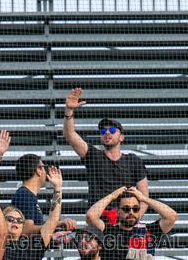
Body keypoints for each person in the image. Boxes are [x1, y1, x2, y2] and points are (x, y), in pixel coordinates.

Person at [62, 87, 149, 216]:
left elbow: (144, 198)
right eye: (103, 131)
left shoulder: (133, 160)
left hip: (124, 220)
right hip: (97, 220)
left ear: (121, 137)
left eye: (112, 130)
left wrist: (134, 220)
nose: (107, 132)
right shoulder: (93, 155)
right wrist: (69, 110)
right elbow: (70, 135)